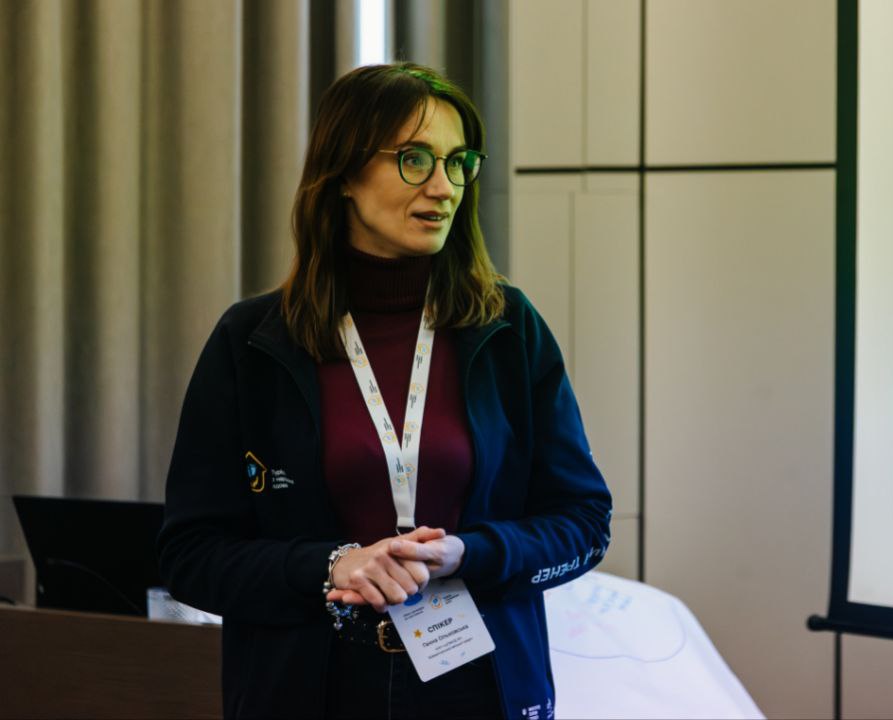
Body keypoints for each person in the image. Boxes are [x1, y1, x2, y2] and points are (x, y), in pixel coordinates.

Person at [157, 63, 612, 719]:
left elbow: (584, 523)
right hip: (307, 692)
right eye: (414, 159)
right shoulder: (253, 341)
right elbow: (190, 556)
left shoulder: (507, 328)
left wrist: (470, 553)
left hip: (479, 690)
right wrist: (331, 566)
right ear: (344, 173)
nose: (443, 187)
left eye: (458, 162)